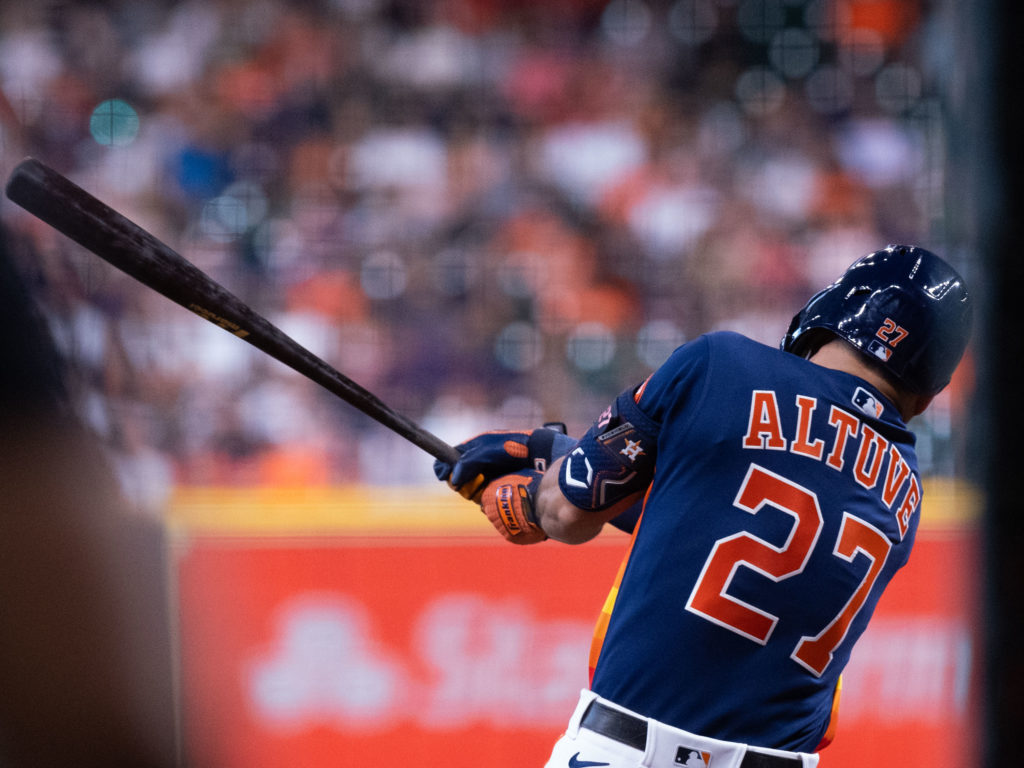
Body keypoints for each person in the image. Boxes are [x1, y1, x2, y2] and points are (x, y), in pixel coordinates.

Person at [434, 245, 973, 768]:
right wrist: (548, 451)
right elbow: (714, 507)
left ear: (832, 309)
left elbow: (564, 514)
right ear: (928, 386)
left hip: (631, 749)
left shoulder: (723, 363)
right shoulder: (906, 490)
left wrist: (524, 494)